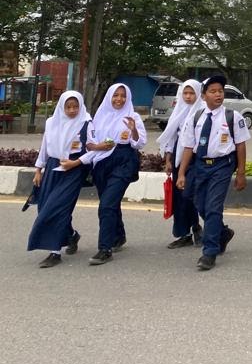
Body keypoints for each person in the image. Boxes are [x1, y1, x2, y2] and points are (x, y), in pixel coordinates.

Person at [177, 74, 250, 271]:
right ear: (204, 96)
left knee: (213, 207)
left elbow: (241, 146)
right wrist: (182, 173)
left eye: (220, 91)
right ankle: (222, 233)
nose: (218, 95)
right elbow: (187, 147)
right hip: (200, 165)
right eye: (213, 91)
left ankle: (209, 252)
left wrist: (241, 173)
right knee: (200, 204)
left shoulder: (233, 117)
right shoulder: (196, 118)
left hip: (222, 166)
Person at [27, 91, 93, 268]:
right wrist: (38, 170)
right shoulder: (52, 122)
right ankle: (71, 236)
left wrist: (76, 163)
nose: (72, 110)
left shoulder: (86, 123)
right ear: (61, 107)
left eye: (75, 106)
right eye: (68, 107)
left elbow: (94, 150)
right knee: (44, 207)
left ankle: (54, 252)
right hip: (52, 168)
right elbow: (45, 148)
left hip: (73, 170)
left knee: (55, 208)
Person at [83, 83, 146, 266]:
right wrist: (97, 146)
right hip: (101, 161)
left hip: (124, 160)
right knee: (110, 203)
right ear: (109, 96)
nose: (119, 99)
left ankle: (105, 248)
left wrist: (133, 129)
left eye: (123, 95)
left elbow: (139, 143)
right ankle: (118, 235)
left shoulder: (132, 116)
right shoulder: (99, 116)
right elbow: (89, 142)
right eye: (116, 95)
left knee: (107, 205)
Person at [158, 80, 204, 249]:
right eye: (185, 93)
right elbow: (171, 136)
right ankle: (184, 234)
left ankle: (197, 227)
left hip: (196, 157)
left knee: (188, 195)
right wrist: (168, 160)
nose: (188, 97)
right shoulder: (178, 111)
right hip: (179, 155)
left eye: (192, 93)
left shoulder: (203, 110)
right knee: (179, 197)